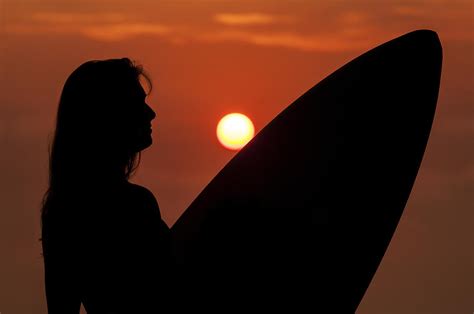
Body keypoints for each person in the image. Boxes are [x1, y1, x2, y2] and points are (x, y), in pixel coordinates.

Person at [40, 58, 174, 313]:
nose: (151, 113)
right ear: (109, 117)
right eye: (137, 105)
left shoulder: (61, 210)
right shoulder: (135, 205)